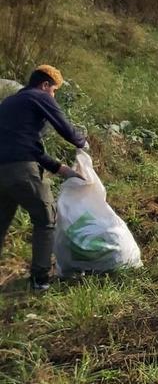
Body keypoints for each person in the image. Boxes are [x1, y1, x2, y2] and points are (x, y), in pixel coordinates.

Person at [0, 65, 87, 291]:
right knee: (46, 218)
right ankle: (40, 279)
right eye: (54, 90)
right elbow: (63, 126)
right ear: (45, 84)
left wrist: (60, 168)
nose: (54, 95)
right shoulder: (38, 95)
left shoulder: (10, 103)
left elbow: (27, 146)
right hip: (22, 171)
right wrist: (82, 143)